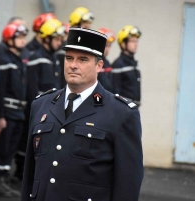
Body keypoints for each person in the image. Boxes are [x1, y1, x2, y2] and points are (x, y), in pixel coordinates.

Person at [21, 27, 143, 201]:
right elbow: (30, 173)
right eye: (69, 58)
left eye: (83, 59)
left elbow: (128, 181)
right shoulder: (41, 104)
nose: (73, 65)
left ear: (99, 65)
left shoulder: (121, 113)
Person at [0, 22, 28, 197]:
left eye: (24, 37)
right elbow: (0, 89)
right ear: (9, 39)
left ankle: (2, 177)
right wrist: (0, 116)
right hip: (7, 112)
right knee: (1, 147)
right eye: (19, 37)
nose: (23, 41)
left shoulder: (19, 59)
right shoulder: (4, 59)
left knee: (10, 149)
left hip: (18, 111)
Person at [26, 18, 65, 103]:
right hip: (41, 105)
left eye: (61, 40)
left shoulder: (54, 58)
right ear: (47, 39)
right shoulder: (37, 58)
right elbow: (32, 89)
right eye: (57, 39)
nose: (59, 43)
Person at [112, 25, 142, 106]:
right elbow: (115, 91)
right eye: (132, 41)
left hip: (133, 108)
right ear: (123, 44)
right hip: (123, 108)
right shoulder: (118, 64)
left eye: (136, 41)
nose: (136, 44)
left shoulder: (134, 63)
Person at [97, 28, 115, 92]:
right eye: (106, 45)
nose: (107, 49)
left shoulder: (107, 63)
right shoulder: (93, 62)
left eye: (109, 46)